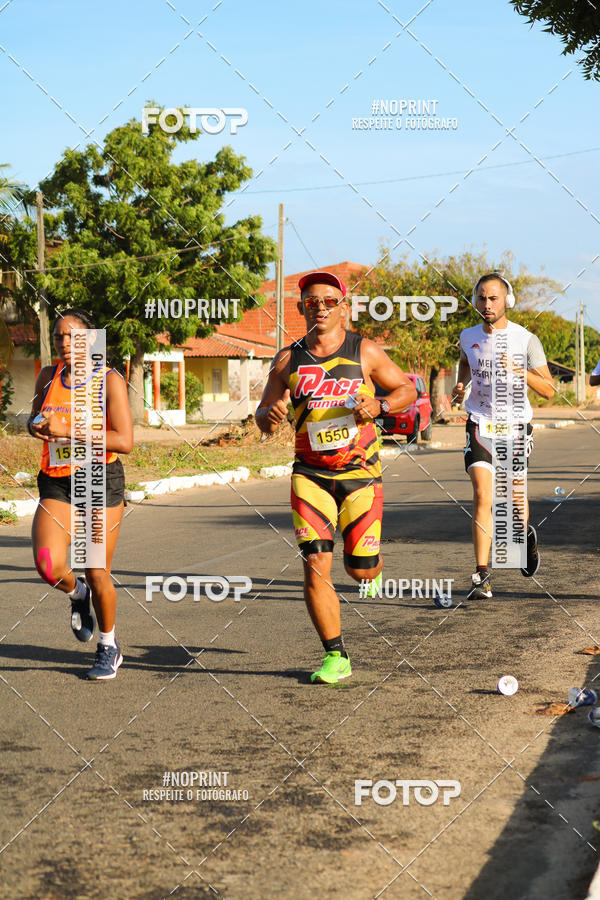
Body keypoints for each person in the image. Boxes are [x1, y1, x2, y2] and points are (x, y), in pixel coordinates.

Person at [255, 271, 416, 683]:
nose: (320, 307)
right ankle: (335, 655)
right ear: (300, 308)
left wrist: (379, 407)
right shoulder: (287, 359)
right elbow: (263, 415)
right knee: (315, 562)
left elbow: (406, 391)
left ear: (343, 307)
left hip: (360, 473)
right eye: (312, 301)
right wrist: (269, 417)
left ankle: (370, 565)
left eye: (329, 300)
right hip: (309, 474)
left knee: (361, 572)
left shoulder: (364, 351)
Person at [28, 308, 133, 679]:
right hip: (57, 480)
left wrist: (70, 430)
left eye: (74, 337)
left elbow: (124, 441)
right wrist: (37, 426)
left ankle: (109, 646)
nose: (65, 344)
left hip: (99, 480)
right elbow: (34, 418)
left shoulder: (109, 381)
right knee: (47, 564)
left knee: (96, 569)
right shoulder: (47, 376)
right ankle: (78, 595)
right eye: (59, 337)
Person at [453, 274, 554, 599]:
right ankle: (482, 574)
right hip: (480, 423)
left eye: (493, 298)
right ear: (475, 301)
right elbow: (465, 365)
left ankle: (524, 537)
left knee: (512, 501)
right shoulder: (467, 336)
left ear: (507, 301)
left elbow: (549, 390)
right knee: (483, 494)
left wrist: (519, 371)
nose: (487, 305)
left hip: (515, 427)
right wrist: (460, 386)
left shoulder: (526, 340)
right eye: (481, 298)